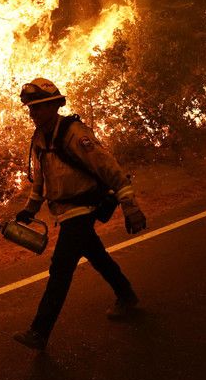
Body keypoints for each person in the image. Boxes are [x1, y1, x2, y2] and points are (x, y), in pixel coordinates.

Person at [12, 78, 147, 350]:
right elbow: (40, 180)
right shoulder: (39, 139)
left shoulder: (74, 133)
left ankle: (39, 332)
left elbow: (108, 168)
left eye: (38, 107)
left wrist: (130, 206)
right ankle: (126, 294)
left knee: (60, 268)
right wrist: (30, 209)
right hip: (64, 212)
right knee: (96, 255)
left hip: (84, 209)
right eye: (30, 108)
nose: (32, 113)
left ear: (54, 106)